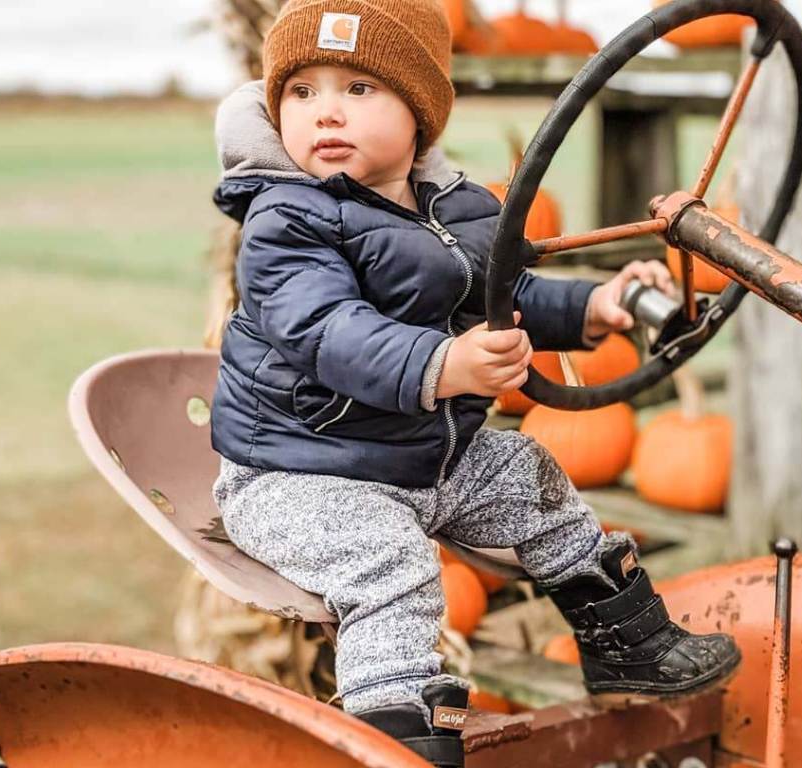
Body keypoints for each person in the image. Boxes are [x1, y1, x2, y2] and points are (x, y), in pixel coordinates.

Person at [209, 1, 741, 764]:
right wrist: (443, 365)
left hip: (424, 457)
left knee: (532, 475)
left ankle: (625, 640)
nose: (326, 111)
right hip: (299, 471)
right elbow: (328, 332)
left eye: (358, 90)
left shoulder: (457, 210)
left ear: (420, 112)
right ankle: (399, 728)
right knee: (389, 559)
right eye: (302, 92)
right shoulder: (286, 218)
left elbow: (506, 295)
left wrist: (593, 306)